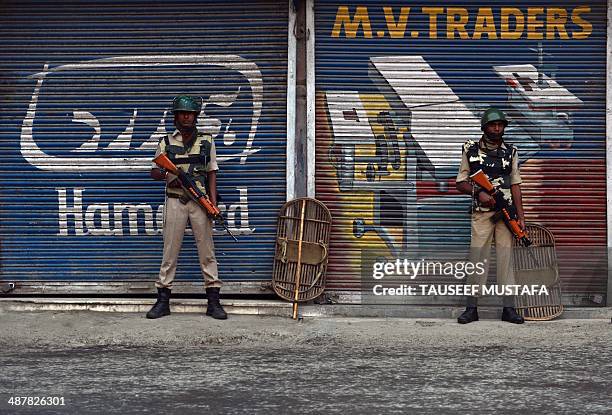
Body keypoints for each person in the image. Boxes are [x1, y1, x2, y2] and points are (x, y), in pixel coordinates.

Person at [146, 95, 227, 320]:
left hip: (199, 203)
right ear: (175, 117)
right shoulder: (165, 142)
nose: (186, 117)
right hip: (175, 201)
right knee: (170, 251)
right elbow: (154, 171)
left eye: (190, 113)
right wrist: (164, 173)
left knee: (207, 253)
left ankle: (213, 301)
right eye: (182, 113)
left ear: (196, 116)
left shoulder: (207, 141)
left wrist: (212, 205)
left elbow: (212, 173)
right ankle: (163, 300)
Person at [455, 107, 525, 324]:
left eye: (500, 125)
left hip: (506, 214)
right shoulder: (471, 151)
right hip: (482, 213)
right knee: (478, 258)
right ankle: (471, 308)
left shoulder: (511, 152)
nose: (497, 128)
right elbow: (461, 183)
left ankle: (508, 308)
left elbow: (515, 185)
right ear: (484, 127)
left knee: (506, 259)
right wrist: (479, 193)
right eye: (493, 125)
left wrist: (520, 217)